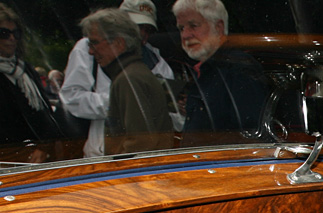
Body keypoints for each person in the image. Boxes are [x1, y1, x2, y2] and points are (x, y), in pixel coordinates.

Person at [60, 0, 173, 158]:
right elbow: (70, 98)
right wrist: (113, 102)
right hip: (101, 156)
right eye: (135, 26)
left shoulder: (147, 68)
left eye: (147, 29)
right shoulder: (87, 50)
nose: (140, 34)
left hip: (122, 166)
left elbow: (139, 144)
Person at [172, 0, 268, 146]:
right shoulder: (204, 70)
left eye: (193, 26)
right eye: (181, 28)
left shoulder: (238, 68)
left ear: (219, 27)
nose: (185, 35)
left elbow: (251, 135)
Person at [0, 2, 62, 162]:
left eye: (16, 33)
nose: (12, 38)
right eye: (4, 33)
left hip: (37, 158)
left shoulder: (25, 69)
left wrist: (44, 147)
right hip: (7, 160)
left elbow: (45, 112)